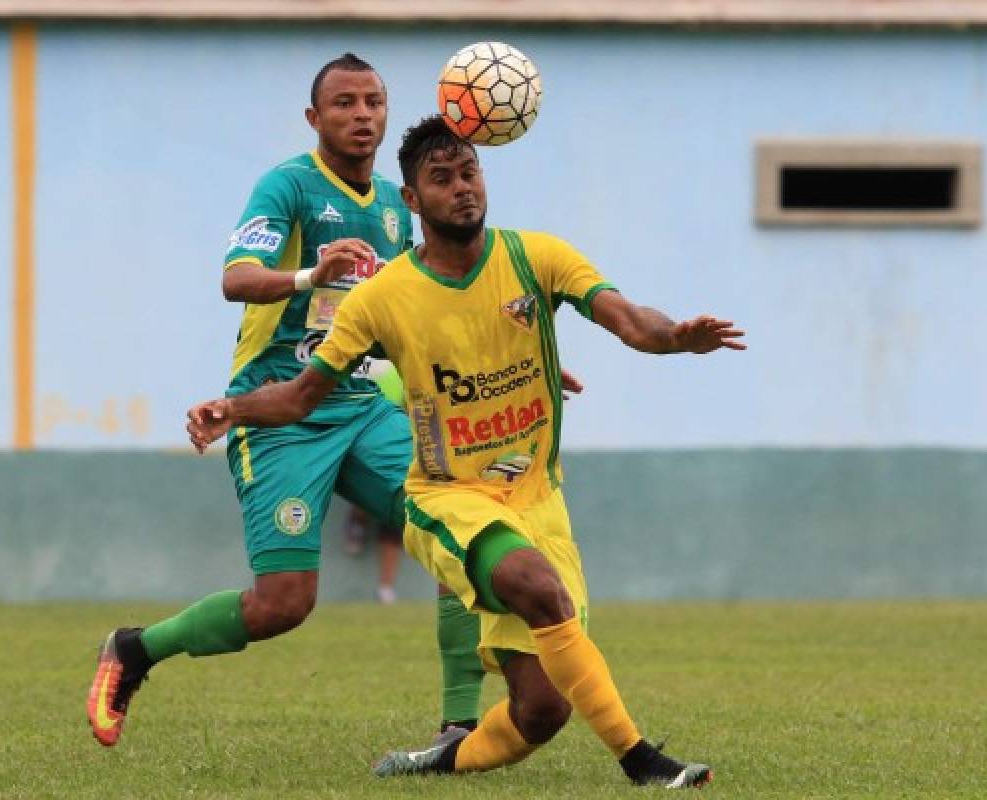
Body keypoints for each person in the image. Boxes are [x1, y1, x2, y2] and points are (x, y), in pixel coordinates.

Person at [184, 115, 745, 788]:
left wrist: (675, 336)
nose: (462, 190)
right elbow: (305, 395)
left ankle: (442, 758)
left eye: (470, 173)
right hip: (449, 497)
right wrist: (232, 408)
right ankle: (643, 762)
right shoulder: (380, 298)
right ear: (412, 200)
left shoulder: (537, 257)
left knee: (541, 711)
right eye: (441, 179)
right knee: (539, 588)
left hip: (537, 497)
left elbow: (628, 319)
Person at [86, 55, 487, 747]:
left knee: (460, 532)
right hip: (279, 413)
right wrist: (310, 274)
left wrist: (494, 362)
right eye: (343, 103)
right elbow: (236, 279)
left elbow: (411, 320)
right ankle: (132, 650)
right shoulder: (289, 186)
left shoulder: (397, 205)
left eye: (372, 102)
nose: (361, 115)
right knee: (284, 604)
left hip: (361, 406)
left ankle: (461, 726)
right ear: (315, 118)